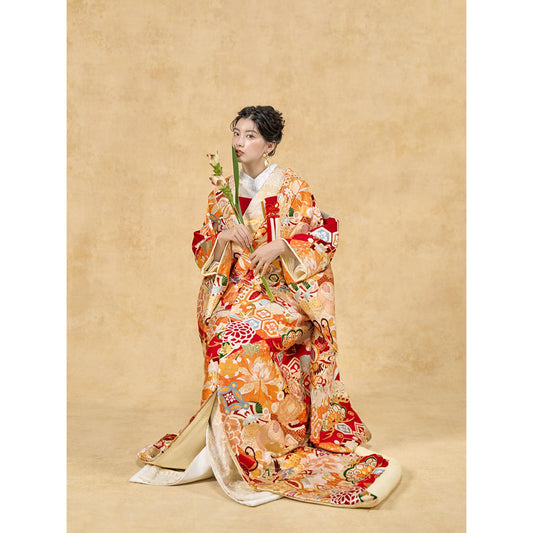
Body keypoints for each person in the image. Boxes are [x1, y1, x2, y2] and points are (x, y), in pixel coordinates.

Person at [130, 106, 401, 507]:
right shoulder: (222, 190)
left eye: (250, 136)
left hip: (283, 294)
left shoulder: (292, 187)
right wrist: (223, 237)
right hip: (236, 291)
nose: (240, 142)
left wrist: (284, 246)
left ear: (270, 145)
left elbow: (325, 233)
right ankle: (225, 444)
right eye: (237, 134)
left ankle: (273, 440)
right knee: (225, 335)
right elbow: (202, 242)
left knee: (245, 341)